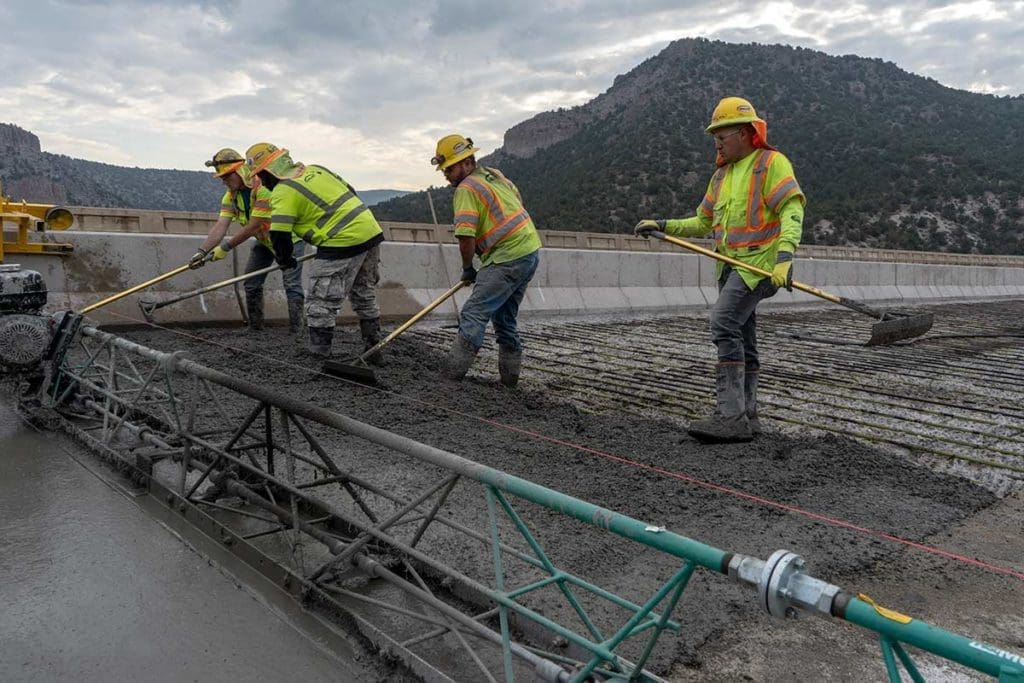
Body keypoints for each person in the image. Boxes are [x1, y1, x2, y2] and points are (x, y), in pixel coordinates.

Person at [634, 97, 805, 443]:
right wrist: (663, 225)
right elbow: (702, 222)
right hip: (728, 268)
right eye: (715, 137)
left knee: (723, 323)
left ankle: (730, 416)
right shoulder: (721, 176)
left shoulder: (770, 164)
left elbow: (792, 209)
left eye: (722, 136)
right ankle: (749, 415)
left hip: (758, 267)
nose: (717, 142)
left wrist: (784, 258)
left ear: (744, 133)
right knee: (743, 335)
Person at [244, 143, 385, 360]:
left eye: (261, 176)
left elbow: (279, 234)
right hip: (370, 230)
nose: (262, 182)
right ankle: (374, 349)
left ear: (268, 171)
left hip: (341, 241)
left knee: (320, 302)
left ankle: (319, 355)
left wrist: (285, 259)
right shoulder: (316, 169)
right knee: (363, 292)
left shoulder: (283, 191)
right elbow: (351, 191)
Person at [431, 134, 542, 387]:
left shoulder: (466, 189)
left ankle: (449, 380)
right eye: (444, 170)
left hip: (508, 256)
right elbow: (516, 200)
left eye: (449, 168)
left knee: (473, 313)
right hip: (529, 250)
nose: (446, 174)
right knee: (504, 319)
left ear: (467, 162)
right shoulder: (494, 174)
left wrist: (468, 268)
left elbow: (465, 236)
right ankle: (510, 383)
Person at [189, 148, 306, 333]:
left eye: (227, 176)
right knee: (251, 282)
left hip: (287, 239)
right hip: (264, 242)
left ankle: (297, 331)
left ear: (241, 171)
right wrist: (202, 251)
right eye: (222, 177)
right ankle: (255, 327)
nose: (224, 181)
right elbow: (221, 225)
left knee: (291, 284)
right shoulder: (230, 197)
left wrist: (225, 247)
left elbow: (254, 225)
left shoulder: (264, 188)